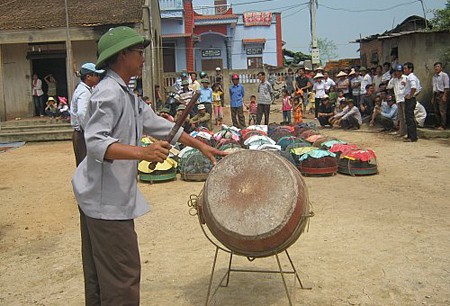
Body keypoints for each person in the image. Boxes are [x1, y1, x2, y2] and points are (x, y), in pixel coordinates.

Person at [71, 26, 225, 306]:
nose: (143, 59)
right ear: (122, 56)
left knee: (101, 277)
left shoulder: (126, 95)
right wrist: (143, 152)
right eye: (139, 53)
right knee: (122, 277)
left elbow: (160, 124)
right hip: (106, 203)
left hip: (101, 198)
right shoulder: (108, 93)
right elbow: (95, 143)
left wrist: (200, 144)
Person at [70, 62, 104, 166]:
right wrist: (89, 132)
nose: (99, 77)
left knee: (85, 166)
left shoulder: (84, 89)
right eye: (96, 75)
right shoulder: (84, 92)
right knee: (86, 166)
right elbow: (81, 113)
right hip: (82, 134)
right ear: (88, 76)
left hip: (81, 133)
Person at [403, 62, 421, 142]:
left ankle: (413, 137)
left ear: (410, 69)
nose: (404, 70)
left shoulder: (411, 77)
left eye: (405, 68)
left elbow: (414, 87)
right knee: (408, 117)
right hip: (410, 99)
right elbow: (419, 88)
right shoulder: (411, 77)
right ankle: (410, 135)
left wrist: (410, 95)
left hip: (410, 99)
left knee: (409, 118)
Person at [387, 65, 407, 137]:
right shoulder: (394, 80)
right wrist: (393, 78)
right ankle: (402, 132)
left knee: (405, 117)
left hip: (404, 99)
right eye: (396, 71)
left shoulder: (405, 78)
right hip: (398, 99)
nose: (398, 73)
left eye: (399, 71)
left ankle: (407, 132)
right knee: (401, 117)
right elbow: (389, 86)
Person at [432, 62, 449, 130]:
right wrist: (433, 97)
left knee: (442, 110)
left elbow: (447, 86)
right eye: (435, 67)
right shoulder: (434, 76)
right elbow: (434, 87)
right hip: (436, 94)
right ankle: (438, 124)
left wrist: (445, 96)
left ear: (441, 68)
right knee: (436, 110)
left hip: (442, 93)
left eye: (438, 66)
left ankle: (443, 125)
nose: (436, 68)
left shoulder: (444, 75)